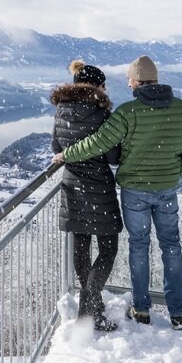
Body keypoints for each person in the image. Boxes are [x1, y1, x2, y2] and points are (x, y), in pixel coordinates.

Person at [52, 55, 182, 330]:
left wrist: (67, 154)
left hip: (127, 190)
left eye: (130, 79)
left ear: (138, 81)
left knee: (138, 246)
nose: (128, 84)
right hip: (161, 189)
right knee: (171, 246)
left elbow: (98, 143)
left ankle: (140, 309)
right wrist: (171, 172)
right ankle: (178, 312)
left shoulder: (127, 112)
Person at [51, 60, 122, 332]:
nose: (106, 90)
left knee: (81, 249)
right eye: (103, 85)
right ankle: (88, 310)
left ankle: (93, 309)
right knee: (108, 249)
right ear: (95, 86)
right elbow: (113, 156)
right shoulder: (102, 114)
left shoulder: (61, 110)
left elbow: (56, 146)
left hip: (73, 188)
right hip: (99, 189)